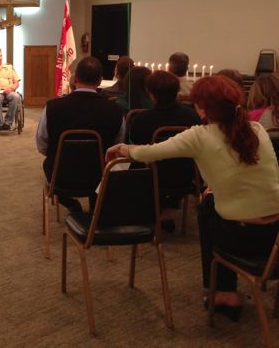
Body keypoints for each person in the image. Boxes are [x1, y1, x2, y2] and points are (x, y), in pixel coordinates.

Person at [107, 75, 279, 319]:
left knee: (207, 210)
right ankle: (225, 289)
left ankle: (223, 292)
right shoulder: (258, 129)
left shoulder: (199, 136)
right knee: (211, 200)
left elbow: (150, 153)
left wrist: (121, 149)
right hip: (274, 238)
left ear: (203, 108)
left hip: (241, 238)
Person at [36, 56, 124, 211]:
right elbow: (118, 145)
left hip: (61, 176)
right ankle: (96, 210)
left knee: (47, 163)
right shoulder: (115, 110)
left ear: (75, 79)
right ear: (100, 81)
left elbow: (42, 144)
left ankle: (70, 204)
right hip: (100, 176)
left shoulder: (52, 107)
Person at [129, 70, 203, 231]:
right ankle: (168, 211)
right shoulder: (192, 117)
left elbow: (136, 144)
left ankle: (148, 211)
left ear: (150, 94)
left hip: (151, 175)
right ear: (177, 91)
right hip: (184, 175)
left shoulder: (141, 119)